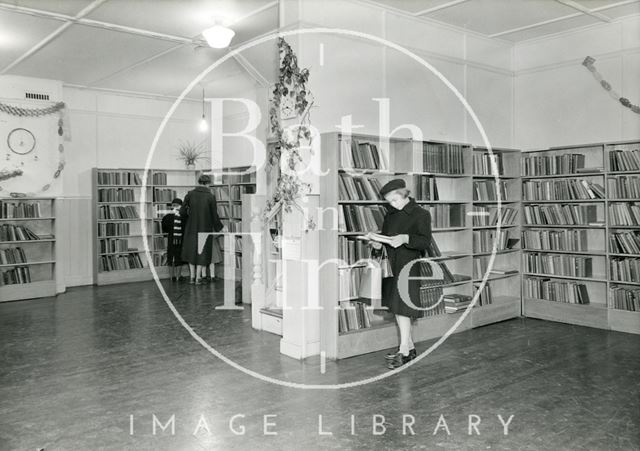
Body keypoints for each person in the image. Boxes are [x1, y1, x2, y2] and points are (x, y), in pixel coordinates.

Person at [368, 178, 433, 369]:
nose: (392, 205)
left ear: (405, 194)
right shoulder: (390, 215)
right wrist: (378, 242)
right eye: (389, 202)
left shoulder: (421, 214)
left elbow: (424, 242)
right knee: (398, 307)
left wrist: (405, 238)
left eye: (394, 200)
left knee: (403, 307)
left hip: (408, 266)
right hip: (391, 265)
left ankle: (404, 349)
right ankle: (409, 347)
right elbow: (388, 238)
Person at [180, 174, 224, 284]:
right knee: (202, 252)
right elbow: (215, 216)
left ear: (199, 182)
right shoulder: (210, 196)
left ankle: (192, 277)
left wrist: (189, 218)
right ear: (208, 183)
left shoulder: (190, 194)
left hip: (191, 227)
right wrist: (220, 228)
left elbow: (182, 212)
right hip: (205, 227)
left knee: (191, 251)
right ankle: (198, 278)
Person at [161, 197, 187, 282]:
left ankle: (172, 277)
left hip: (171, 239)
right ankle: (179, 276)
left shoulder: (167, 217)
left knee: (170, 257)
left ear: (172, 206)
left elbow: (164, 229)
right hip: (181, 239)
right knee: (179, 257)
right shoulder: (185, 216)